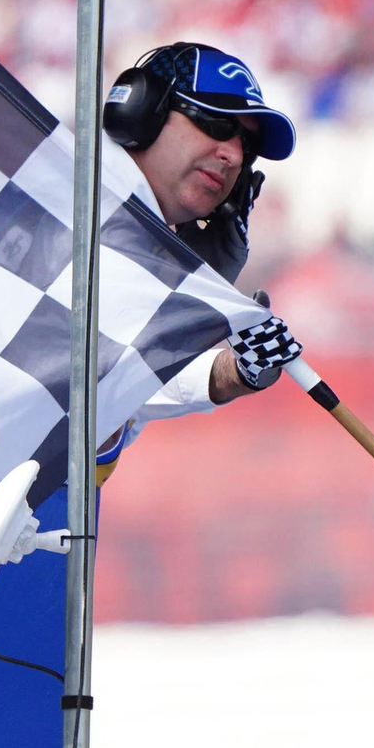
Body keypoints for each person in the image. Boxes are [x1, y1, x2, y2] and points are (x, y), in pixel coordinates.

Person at [93, 42, 301, 481]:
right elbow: (67, 418)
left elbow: (112, 386)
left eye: (246, 144)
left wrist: (230, 369)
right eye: (217, 122)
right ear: (140, 109)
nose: (234, 155)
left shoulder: (130, 253)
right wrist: (180, 304)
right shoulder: (61, 217)